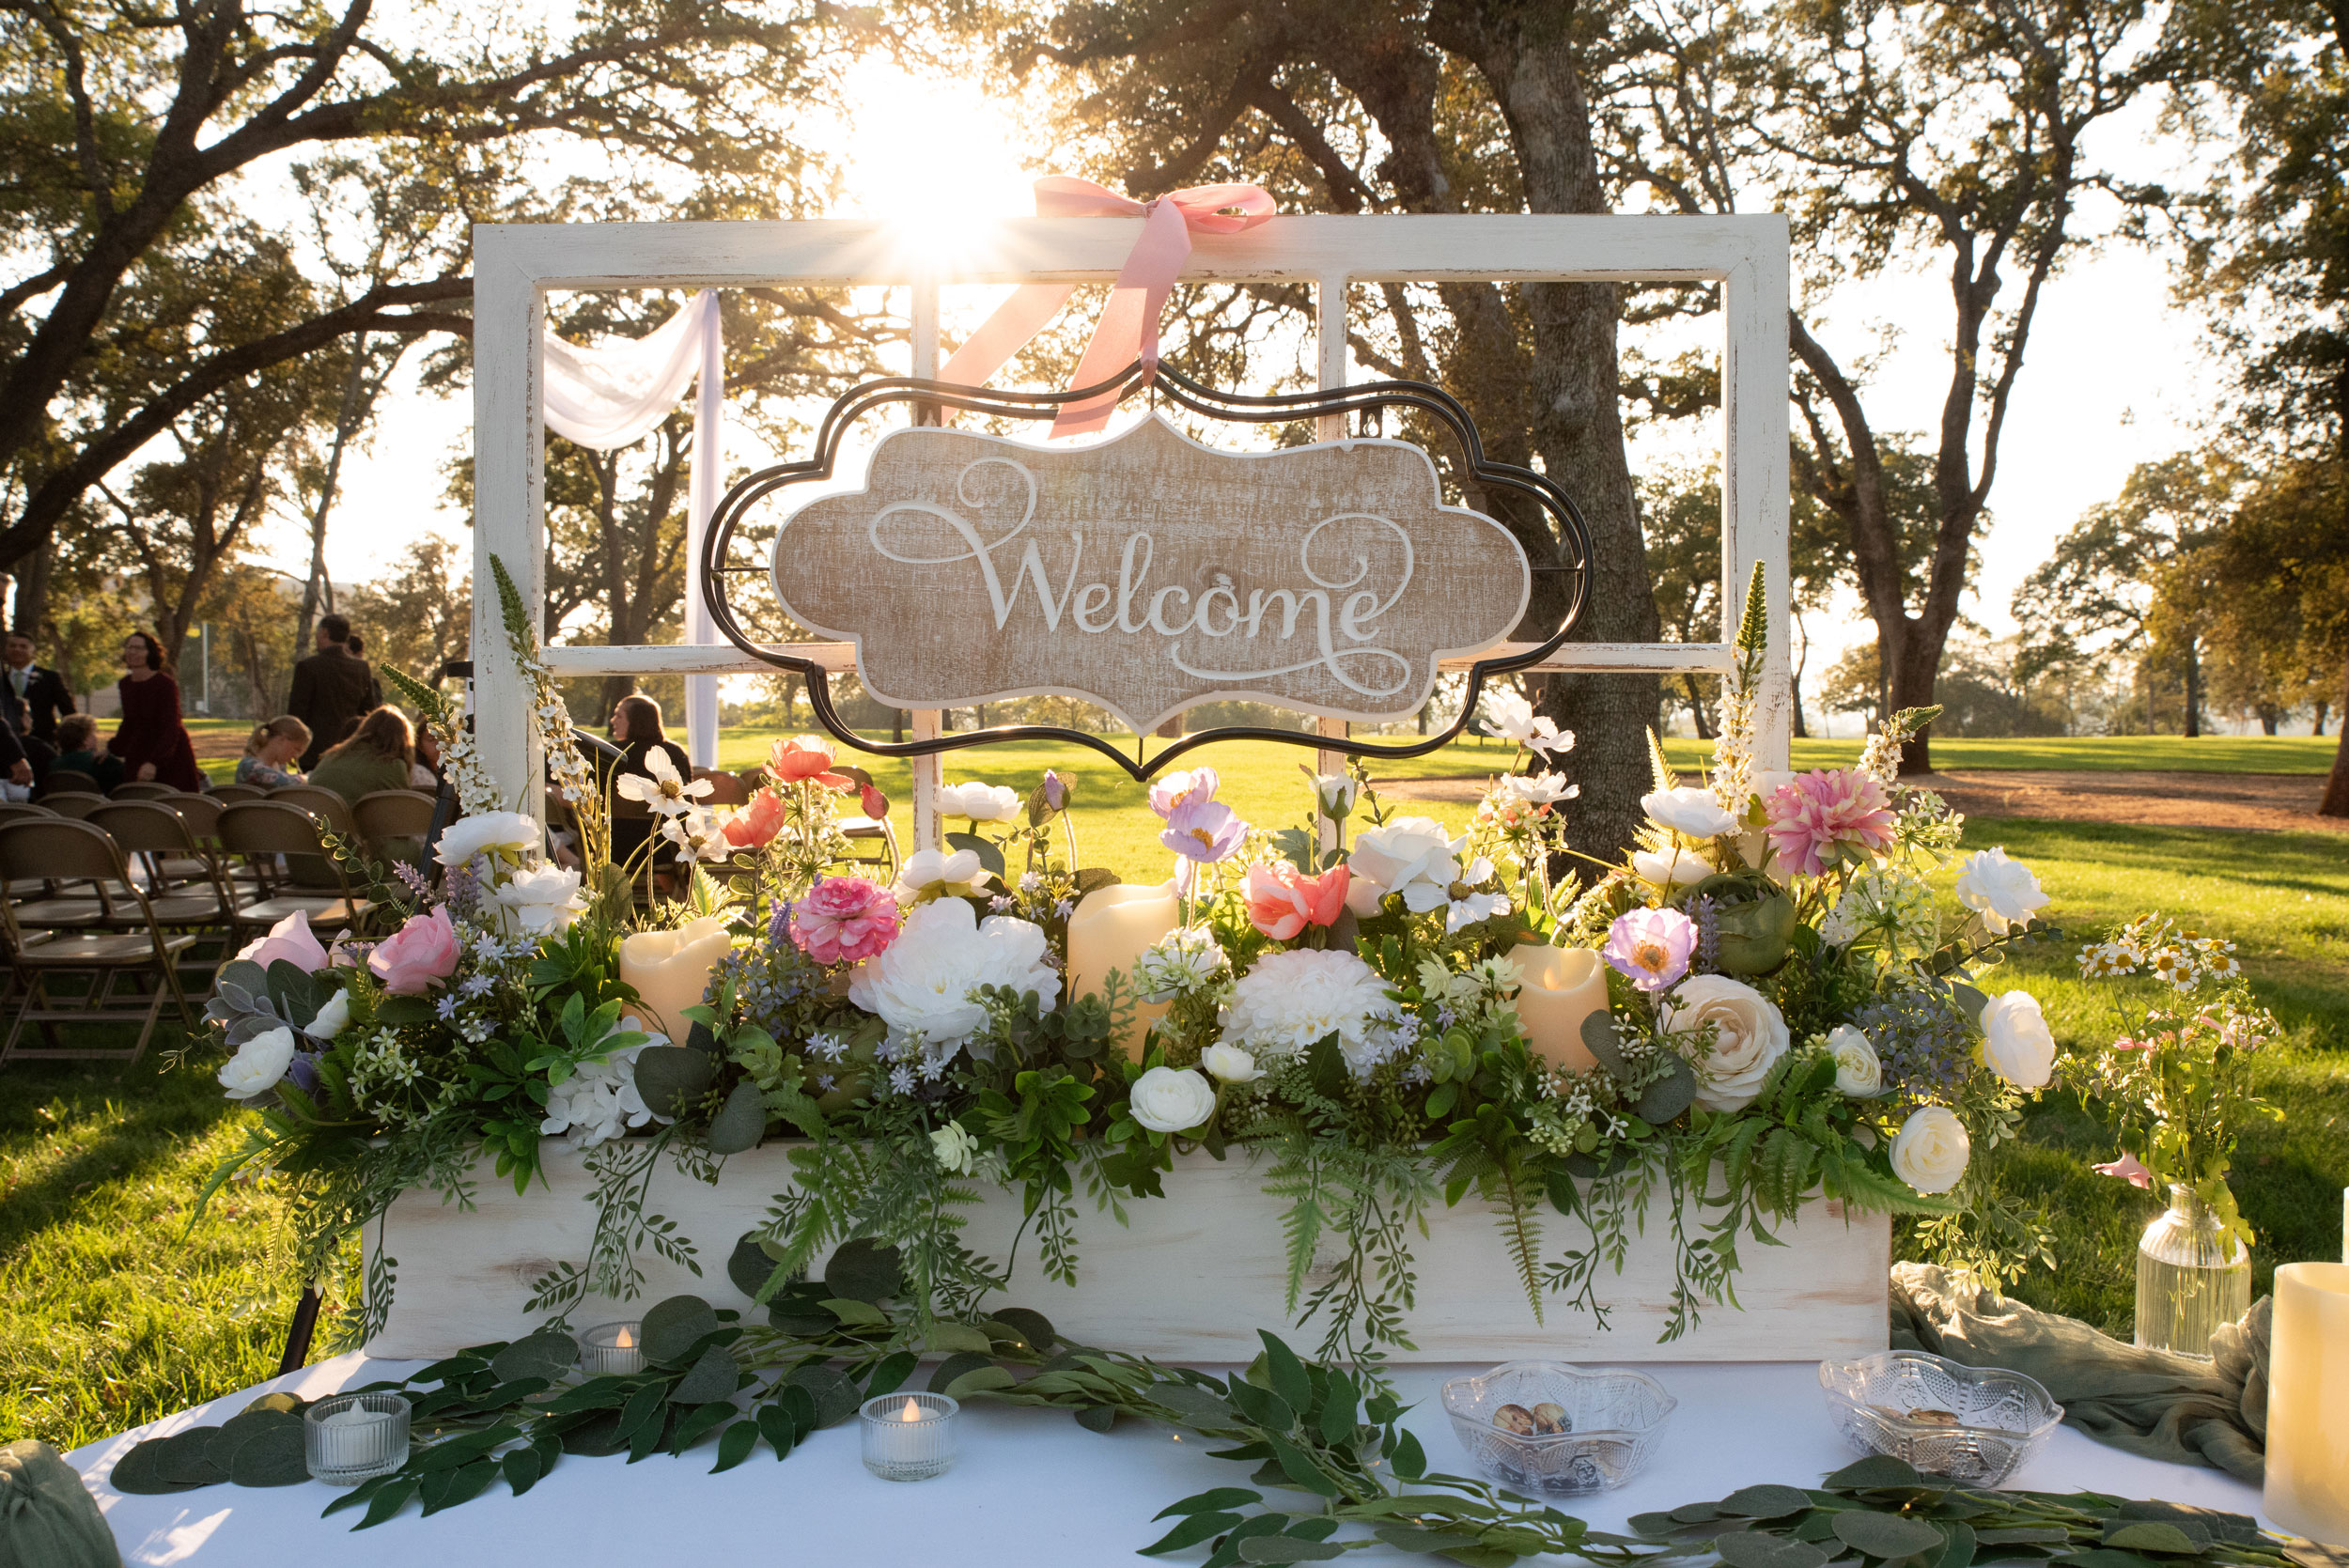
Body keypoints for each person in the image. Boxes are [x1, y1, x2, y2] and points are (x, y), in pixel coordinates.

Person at [106, 630, 203, 791]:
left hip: (168, 752)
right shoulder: (125, 684)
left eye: (138, 648)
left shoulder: (164, 684)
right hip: (139, 749)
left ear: (149, 653)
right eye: (129, 647)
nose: (132, 652)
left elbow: (171, 726)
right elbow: (129, 722)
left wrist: (154, 762)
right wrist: (112, 748)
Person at [605, 692, 692, 870]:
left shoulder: (613, 754)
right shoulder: (673, 752)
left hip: (616, 847)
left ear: (637, 721)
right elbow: (687, 804)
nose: (613, 720)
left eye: (619, 715)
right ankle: (677, 890)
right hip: (662, 848)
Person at [287, 613, 381, 771]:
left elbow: (297, 713)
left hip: (314, 752)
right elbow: (368, 712)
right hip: (350, 750)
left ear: (324, 632)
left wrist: (293, 747)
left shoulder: (308, 667)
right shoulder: (361, 668)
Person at [305, 706, 416, 804]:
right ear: (404, 739)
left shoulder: (331, 756)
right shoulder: (394, 767)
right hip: (353, 826)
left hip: (315, 824)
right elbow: (402, 811)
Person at [2, 629, 73, 777]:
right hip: (5, 748)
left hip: (43, 745)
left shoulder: (50, 678)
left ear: (33, 651)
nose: (17, 649)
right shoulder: (3, 678)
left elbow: (68, 712)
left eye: (23, 646)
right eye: (13, 645)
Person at [48, 714, 123, 791]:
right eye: (92, 734)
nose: (95, 738)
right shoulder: (103, 762)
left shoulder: (54, 766)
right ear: (85, 741)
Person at [237, 716, 311, 790]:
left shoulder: (279, 766)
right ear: (281, 740)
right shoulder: (250, 766)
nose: (296, 756)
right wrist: (312, 777)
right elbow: (289, 781)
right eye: (296, 749)